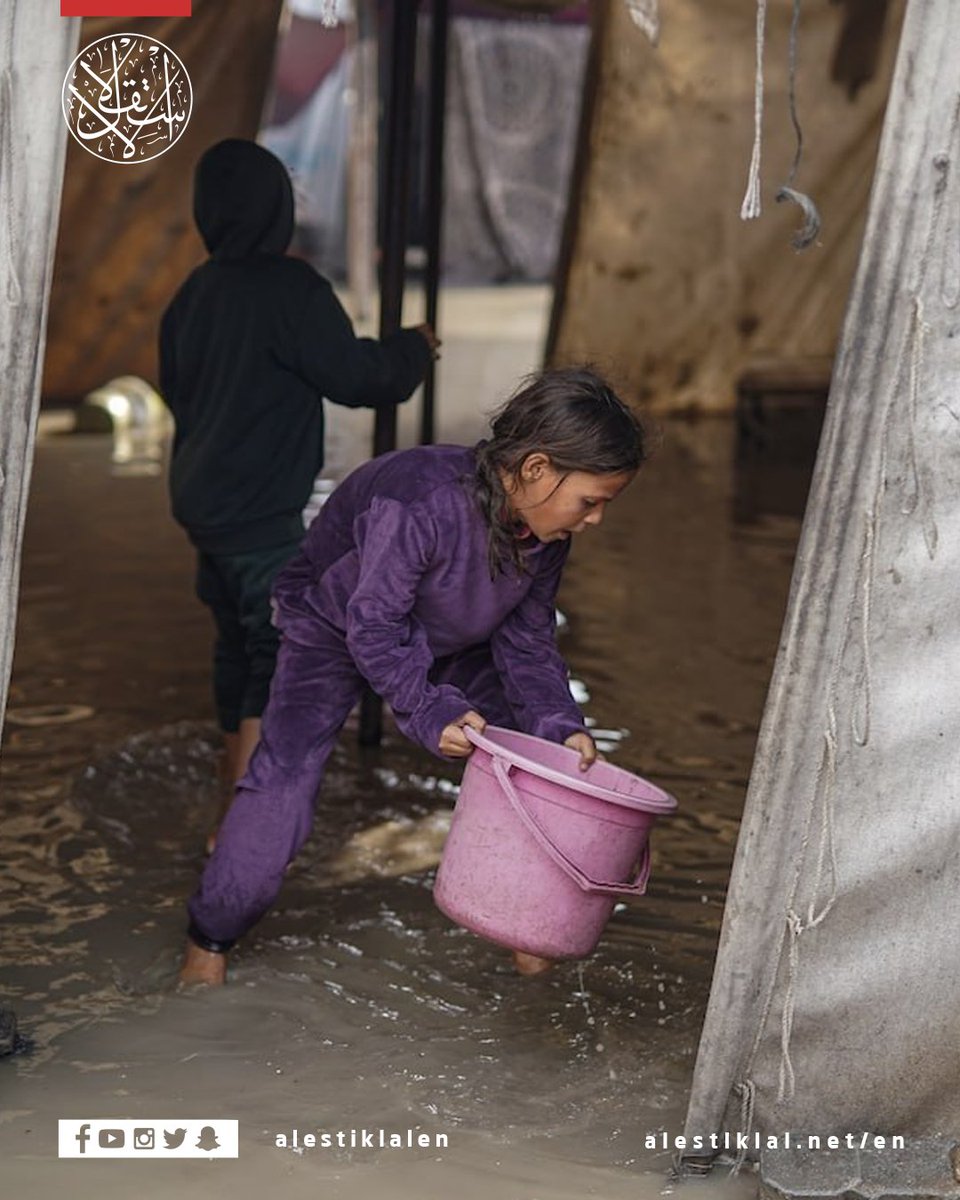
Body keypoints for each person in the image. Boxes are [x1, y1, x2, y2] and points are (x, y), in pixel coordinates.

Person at [178, 366, 647, 986]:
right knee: (284, 782)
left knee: (535, 763)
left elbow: (529, 642)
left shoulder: (543, 533)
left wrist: (560, 727)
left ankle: (529, 924)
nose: (594, 521)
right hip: (333, 628)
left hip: (446, 637)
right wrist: (427, 709)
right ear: (535, 468)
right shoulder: (419, 500)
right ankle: (208, 941)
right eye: (591, 502)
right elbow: (371, 629)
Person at [159, 139, 436, 849]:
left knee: (237, 643)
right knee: (278, 650)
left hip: (203, 508)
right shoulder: (290, 290)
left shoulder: (194, 293)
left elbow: (178, 387)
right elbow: (358, 379)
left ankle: (231, 793)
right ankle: (246, 823)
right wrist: (411, 348)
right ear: (278, 209)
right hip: (257, 514)